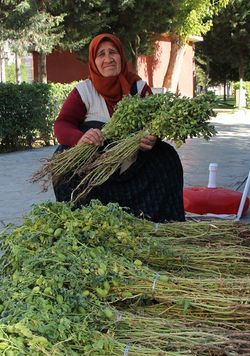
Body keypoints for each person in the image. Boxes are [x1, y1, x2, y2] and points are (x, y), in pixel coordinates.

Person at [52, 33, 185, 223]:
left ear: (121, 57)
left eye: (112, 52)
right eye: (101, 54)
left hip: (134, 165)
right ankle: (82, 222)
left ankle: (158, 222)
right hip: (95, 167)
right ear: (93, 60)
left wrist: (153, 136)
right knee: (62, 159)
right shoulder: (84, 91)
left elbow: (157, 121)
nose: (108, 59)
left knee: (166, 156)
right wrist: (80, 138)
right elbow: (62, 124)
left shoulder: (138, 88)